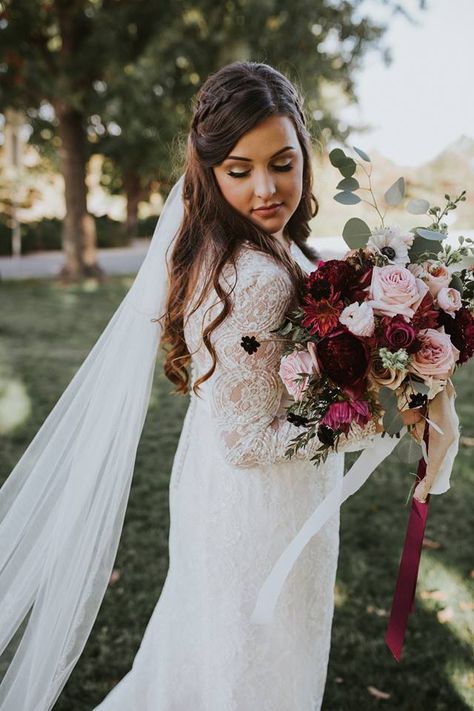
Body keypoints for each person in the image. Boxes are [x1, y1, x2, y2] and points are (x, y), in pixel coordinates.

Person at [0, 61, 420, 711]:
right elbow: (248, 441)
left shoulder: (252, 245)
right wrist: (380, 414)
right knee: (252, 672)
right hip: (260, 510)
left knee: (204, 654)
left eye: (283, 162)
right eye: (239, 169)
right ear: (209, 171)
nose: (265, 188)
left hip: (228, 498)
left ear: (305, 151)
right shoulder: (253, 278)